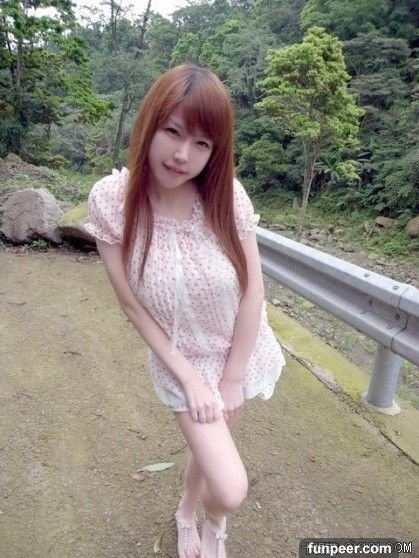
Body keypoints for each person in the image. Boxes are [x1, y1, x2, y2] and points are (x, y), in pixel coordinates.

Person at [85, 64, 286, 558]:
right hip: (181, 360)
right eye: (173, 132)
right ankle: (214, 520)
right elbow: (131, 304)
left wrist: (232, 376)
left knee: (209, 448)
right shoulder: (113, 201)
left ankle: (189, 513)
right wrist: (191, 378)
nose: (182, 155)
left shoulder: (225, 197)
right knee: (230, 488)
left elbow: (253, 290)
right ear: (149, 124)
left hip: (238, 351)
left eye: (202, 144)